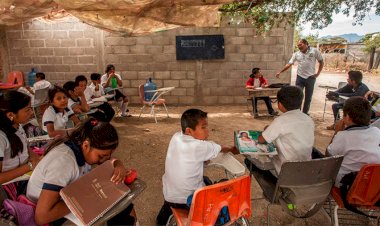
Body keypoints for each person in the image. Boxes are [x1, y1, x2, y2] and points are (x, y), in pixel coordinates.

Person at [26, 118, 137, 225]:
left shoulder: (78, 147)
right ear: (86, 145)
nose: (104, 160)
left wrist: (118, 164)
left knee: (123, 206)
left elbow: (108, 160)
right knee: (112, 209)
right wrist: (84, 199)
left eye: (108, 156)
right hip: (51, 215)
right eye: (101, 156)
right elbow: (41, 217)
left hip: (64, 201)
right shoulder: (64, 163)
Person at [156, 108, 238, 225]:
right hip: (189, 200)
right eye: (203, 127)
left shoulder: (176, 137)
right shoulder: (199, 146)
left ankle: (164, 216)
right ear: (189, 131)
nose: (207, 131)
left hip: (170, 196)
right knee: (213, 183)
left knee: (203, 179)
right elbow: (221, 148)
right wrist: (232, 149)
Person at [244, 86, 314, 195]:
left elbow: (261, 139)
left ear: (280, 105)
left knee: (249, 160)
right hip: (304, 170)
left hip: (285, 172)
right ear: (300, 102)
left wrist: (267, 129)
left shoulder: (280, 121)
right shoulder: (308, 119)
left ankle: (274, 190)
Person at [326, 96, 380, 187]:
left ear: (347, 117)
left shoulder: (343, 137)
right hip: (370, 185)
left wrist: (337, 133)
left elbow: (328, 157)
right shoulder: (377, 132)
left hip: (346, 186)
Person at [0, 91, 40, 198]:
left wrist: (35, 158)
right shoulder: (1, 137)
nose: (31, 112)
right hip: (11, 186)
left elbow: (25, 147)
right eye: (27, 110)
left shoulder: (17, 125)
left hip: (24, 176)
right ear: (10, 115)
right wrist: (30, 166)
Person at [276, 39, 324, 115]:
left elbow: (321, 61)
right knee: (297, 96)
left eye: (300, 45)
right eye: (298, 45)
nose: (299, 47)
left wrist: (318, 73)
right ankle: (297, 113)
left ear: (306, 44)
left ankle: (305, 113)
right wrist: (280, 71)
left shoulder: (314, 51)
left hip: (310, 78)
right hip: (300, 78)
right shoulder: (296, 54)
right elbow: (289, 64)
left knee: (308, 98)